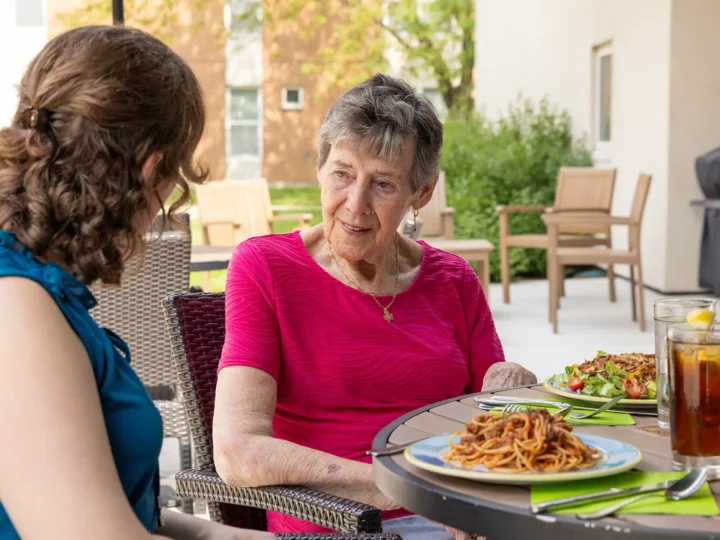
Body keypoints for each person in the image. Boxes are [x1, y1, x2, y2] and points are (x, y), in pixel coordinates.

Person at [213, 73, 537, 540]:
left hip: (456, 520)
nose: (356, 204)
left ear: (421, 194)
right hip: (338, 524)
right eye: (342, 174)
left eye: (383, 184)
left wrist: (512, 392)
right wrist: (415, 489)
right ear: (322, 170)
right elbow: (237, 452)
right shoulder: (264, 266)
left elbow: (494, 411)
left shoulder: (454, 280)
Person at [0, 25, 272, 540]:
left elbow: (98, 500)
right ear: (152, 172)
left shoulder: (42, 291)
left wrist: (217, 533)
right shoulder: (14, 306)